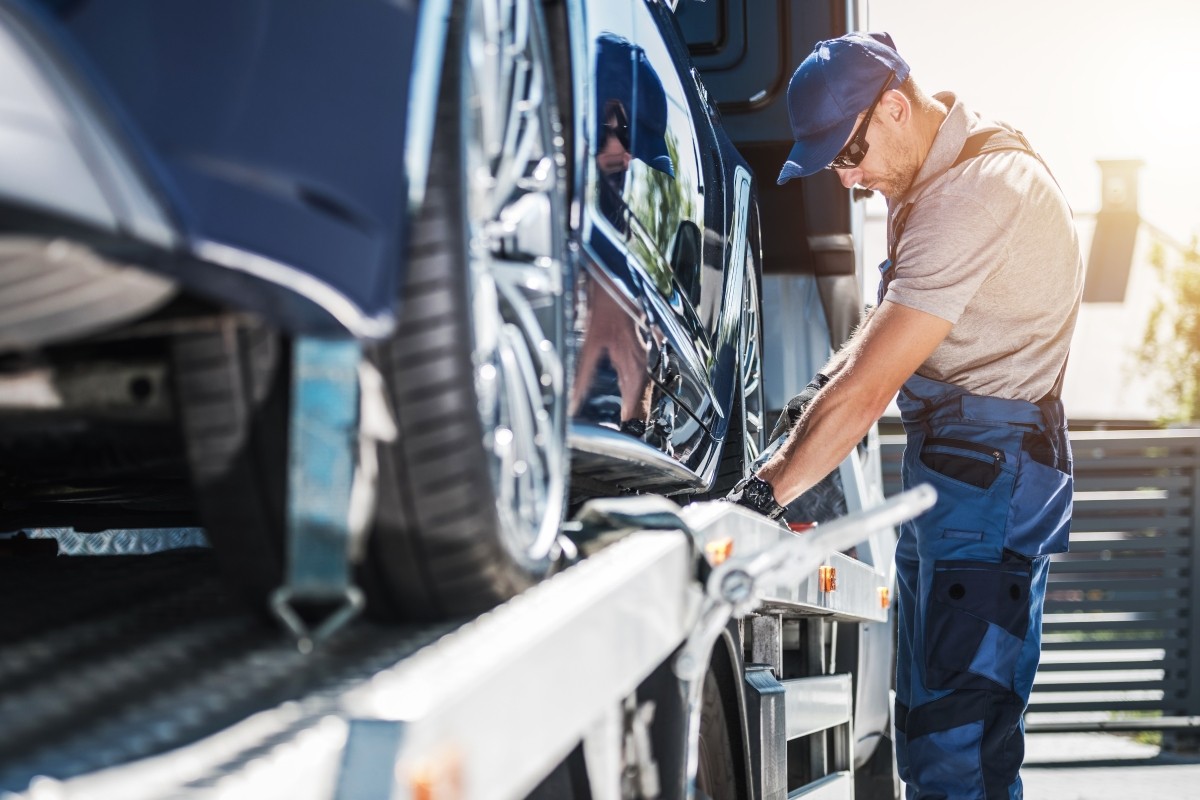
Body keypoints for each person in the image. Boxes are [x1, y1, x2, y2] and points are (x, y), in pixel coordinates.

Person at [727, 32, 1083, 799]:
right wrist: (814, 396)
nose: (848, 178)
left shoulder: (972, 196)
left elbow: (869, 390)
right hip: (963, 475)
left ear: (894, 107)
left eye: (849, 153)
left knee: (959, 744)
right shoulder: (943, 178)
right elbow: (883, 334)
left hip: (985, 483)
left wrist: (764, 492)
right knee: (930, 733)